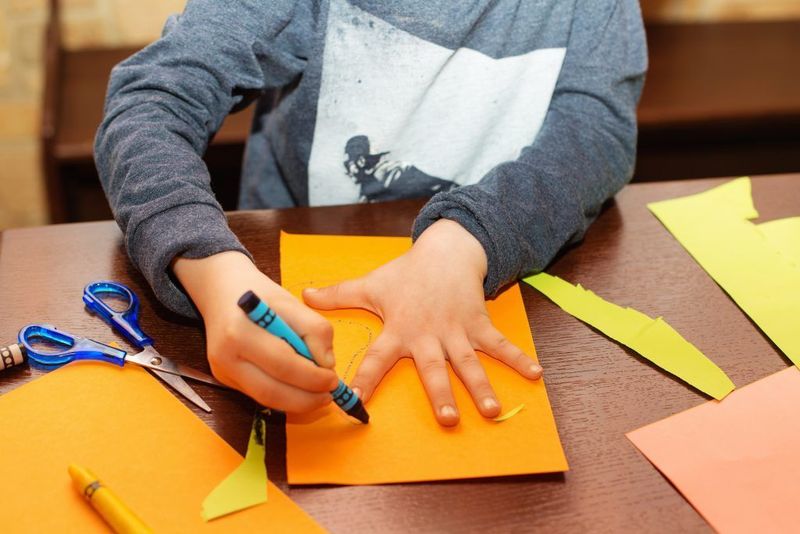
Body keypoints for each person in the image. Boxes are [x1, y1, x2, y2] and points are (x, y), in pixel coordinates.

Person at [95, 0, 647, 426]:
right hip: (292, 280)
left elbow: (597, 128)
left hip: (498, 280)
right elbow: (149, 104)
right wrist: (210, 269)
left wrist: (470, 237)